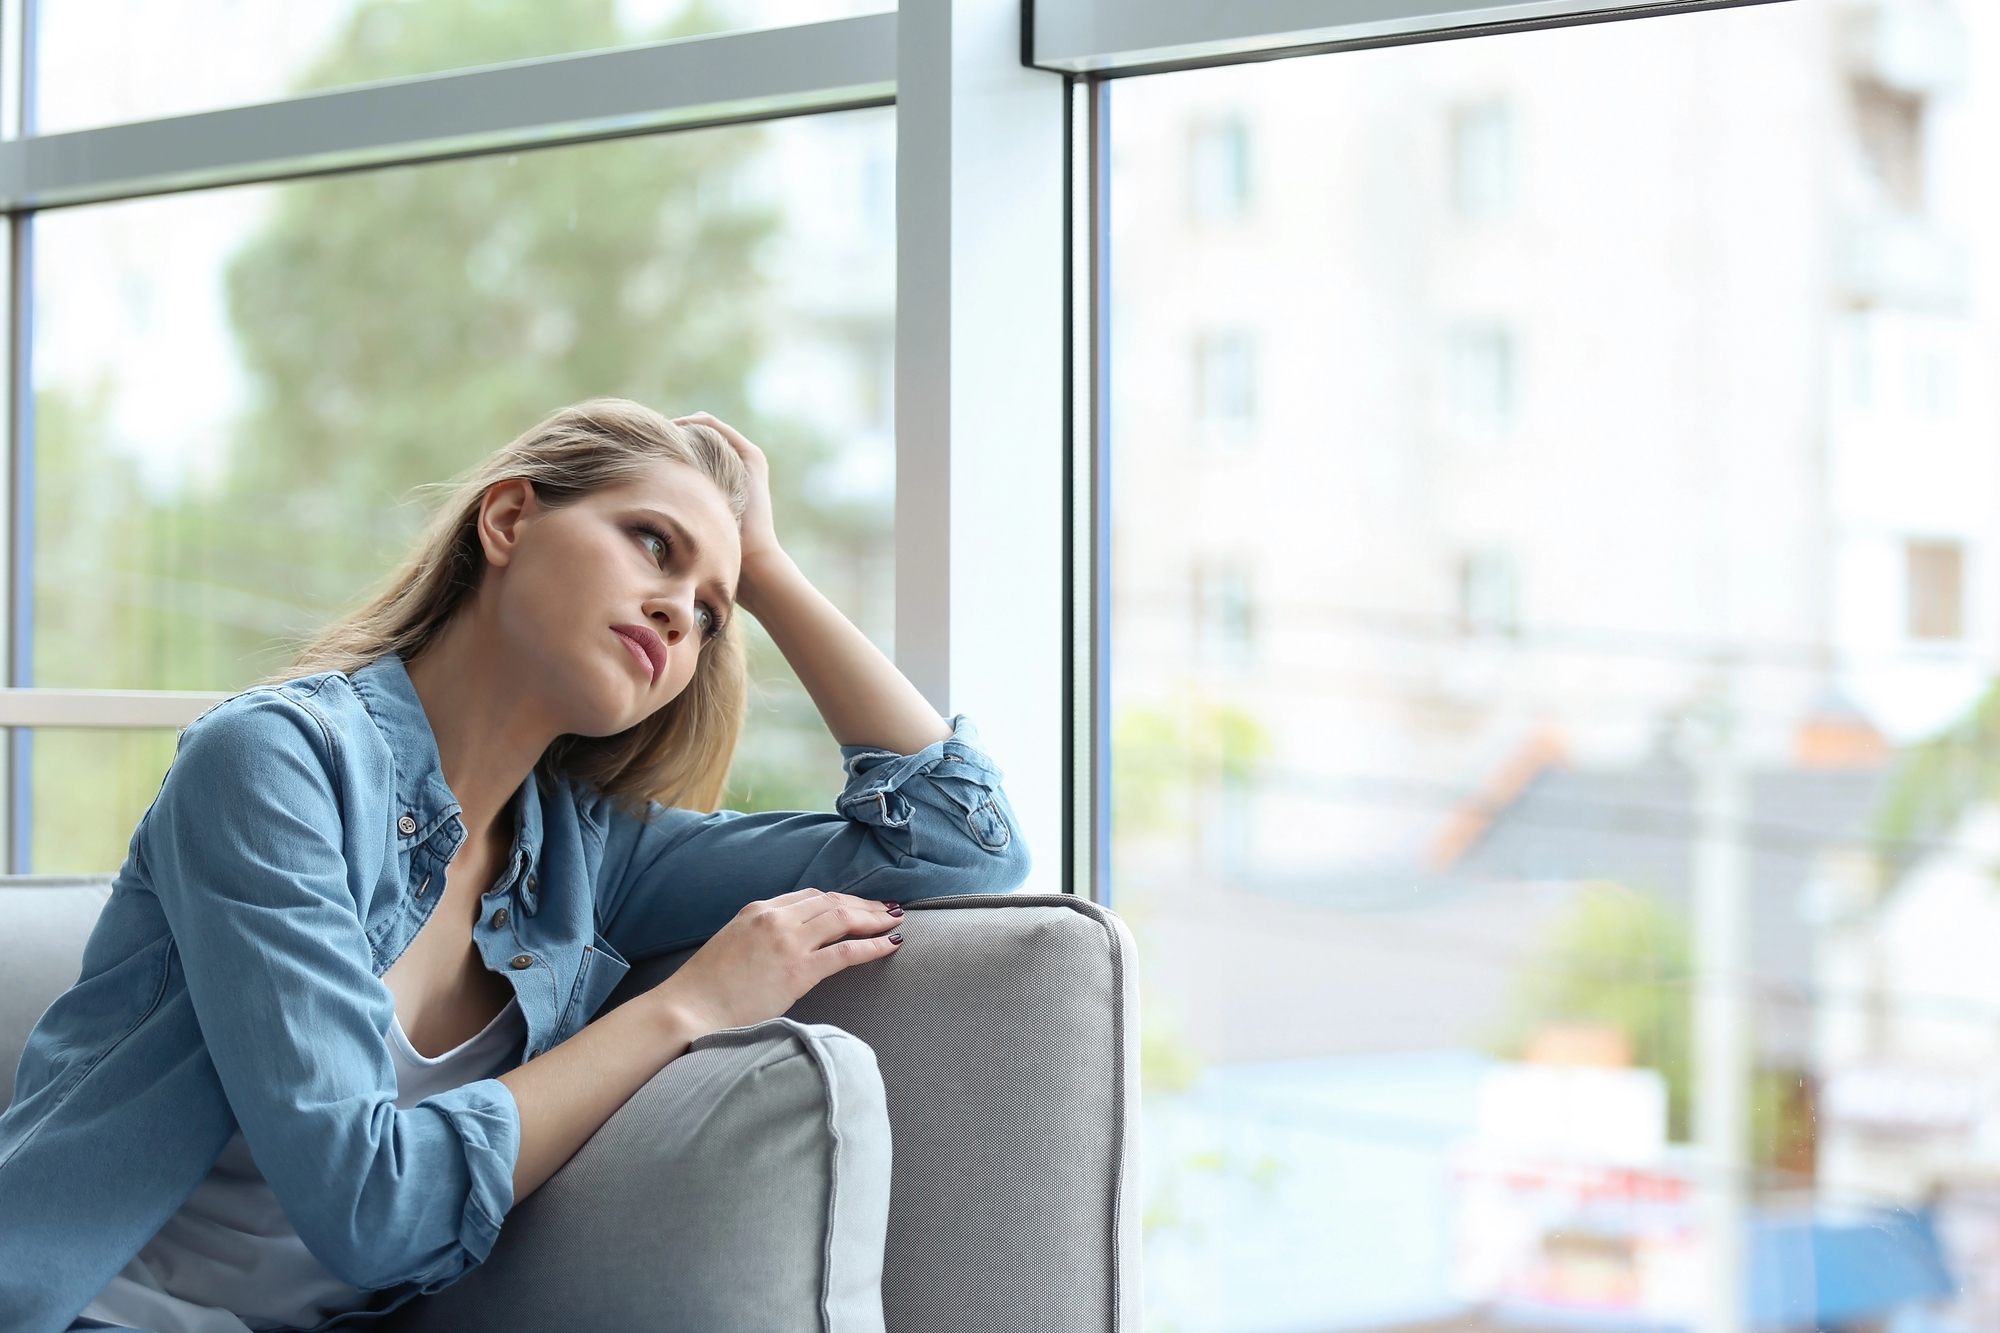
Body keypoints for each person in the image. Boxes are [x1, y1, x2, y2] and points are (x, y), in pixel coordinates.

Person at [0, 400, 1029, 1333]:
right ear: (505, 521)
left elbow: (957, 844)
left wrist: (763, 568)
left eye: (709, 612)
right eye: (650, 543)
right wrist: (684, 1008)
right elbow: (373, 1206)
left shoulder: (594, 858)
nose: (680, 613)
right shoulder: (276, 763)